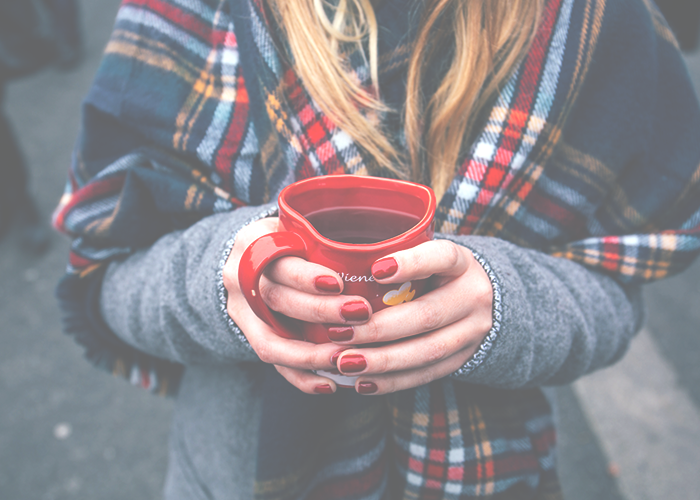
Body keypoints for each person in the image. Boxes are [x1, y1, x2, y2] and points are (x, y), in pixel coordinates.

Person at [52, 0, 700, 498]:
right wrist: (229, 276)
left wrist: (505, 306)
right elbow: (107, 279)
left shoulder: (591, 25)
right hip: (237, 477)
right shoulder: (200, 12)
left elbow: (615, 289)